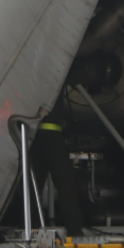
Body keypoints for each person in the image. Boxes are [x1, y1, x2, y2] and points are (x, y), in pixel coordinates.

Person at [30, 96, 86, 237]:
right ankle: (74, 228)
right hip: (52, 137)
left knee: (32, 185)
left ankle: (29, 225)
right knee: (66, 183)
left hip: (33, 137)